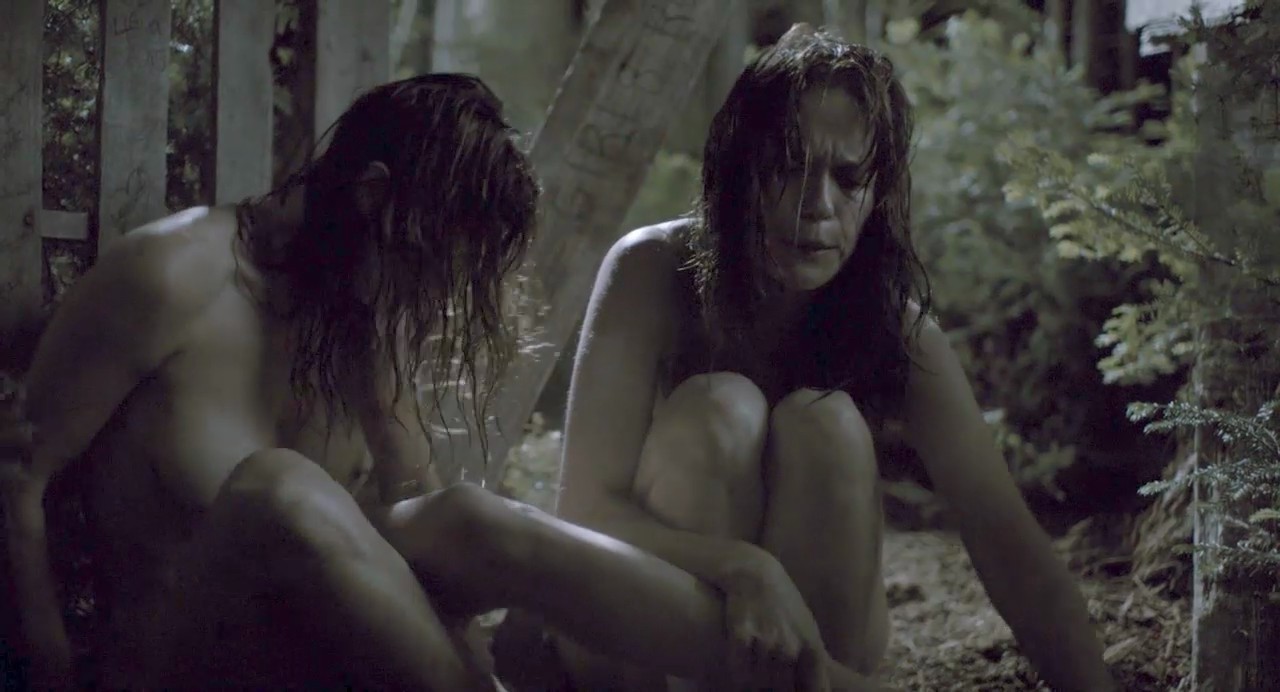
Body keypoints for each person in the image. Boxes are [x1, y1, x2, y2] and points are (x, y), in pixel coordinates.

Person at [0, 74, 873, 691]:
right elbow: (16, 481)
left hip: (313, 662)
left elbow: (419, 545)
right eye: (432, 265)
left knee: (466, 515)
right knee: (280, 489)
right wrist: (48, 670)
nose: (435, 297)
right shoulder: (168, 277)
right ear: (375, 201)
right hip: (175, 663)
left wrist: (383, 399)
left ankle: (824, 686)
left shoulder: (358, 303)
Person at [556, 25, 1120, 692]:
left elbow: (1011, 548)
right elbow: (584, 514)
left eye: (848, 178)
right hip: (641, 643)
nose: (816, 206)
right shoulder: (651, 270)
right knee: (719, 407)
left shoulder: (895, 326)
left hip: (820, 652)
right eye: (788, 167)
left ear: (878, 193)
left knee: (825, 422)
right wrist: (742, 566)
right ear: (740, 169)